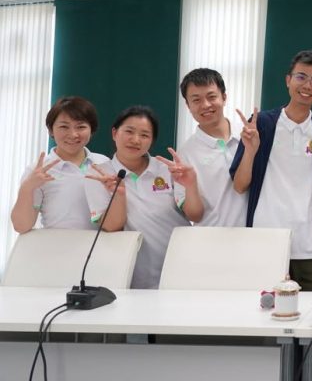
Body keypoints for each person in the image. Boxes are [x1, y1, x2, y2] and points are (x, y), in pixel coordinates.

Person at [230, 50, 312, 291]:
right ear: (288, 80)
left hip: (311, 243)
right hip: (265, 240)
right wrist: (251, 150)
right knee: (261, 311)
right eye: (301, 77)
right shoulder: (262, 123)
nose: (307, 85)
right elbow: (240, 185)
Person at [85, 106, 204, 289]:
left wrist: (191, 184)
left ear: (152, 141)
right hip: (136, 272)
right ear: (115, 133)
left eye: (144, 135)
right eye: (129, 131)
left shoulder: (167, 169)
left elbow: (195, 215)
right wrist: (119, 195)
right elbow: (111, 226)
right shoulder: (99, 174)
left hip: (181, 263)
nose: (135, 140)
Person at [12, 97, 109, 233]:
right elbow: (21, 226)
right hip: (56, 244)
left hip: (101, 244)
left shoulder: (104, 163)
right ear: (51, 130)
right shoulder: (38, 170)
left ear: (91, 130)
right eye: (64, 127)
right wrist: (27, 187)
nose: (73, 134)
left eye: (81, 127)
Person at [177, 68, 247, 227]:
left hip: (256, 234)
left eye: (211, 97)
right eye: (196, 100)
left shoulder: (248, 136)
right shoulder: (185, 154)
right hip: (210, 236)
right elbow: (193, 215)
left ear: (224, 97)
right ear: (188, 105)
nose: (205, 105)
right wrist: (190, 184)